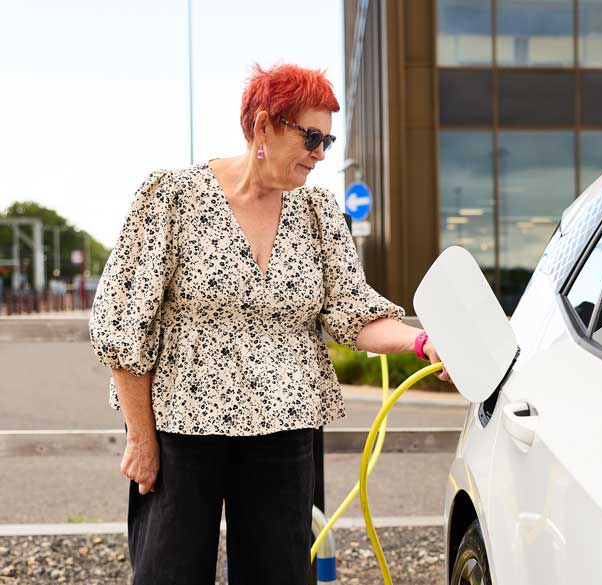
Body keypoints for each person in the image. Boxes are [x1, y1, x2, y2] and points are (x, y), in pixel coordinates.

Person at [88, 63, 446, 585]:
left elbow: (352, 311)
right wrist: (142, 440)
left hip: (285, 434)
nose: (321, 153)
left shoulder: (318, 212)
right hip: (181, 434)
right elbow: (122, 326)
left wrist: (422, 341)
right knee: (168, 574)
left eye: (328, 139)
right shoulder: (171, 197)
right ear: (263, 126)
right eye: (312, 137)